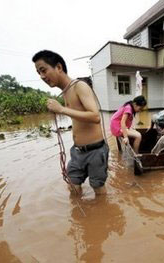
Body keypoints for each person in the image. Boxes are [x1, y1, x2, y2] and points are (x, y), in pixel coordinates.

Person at [32, 50, 108, 196]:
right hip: (77, 151)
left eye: (43, 70)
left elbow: (95, 116)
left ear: (58, 67)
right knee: (73, 185)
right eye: (38, 73)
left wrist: (61, 109)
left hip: (95, 151)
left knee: (98, 189)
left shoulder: (79, 86)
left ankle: (104, 215)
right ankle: (78, 218)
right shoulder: (66, 91)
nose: (42, 76)